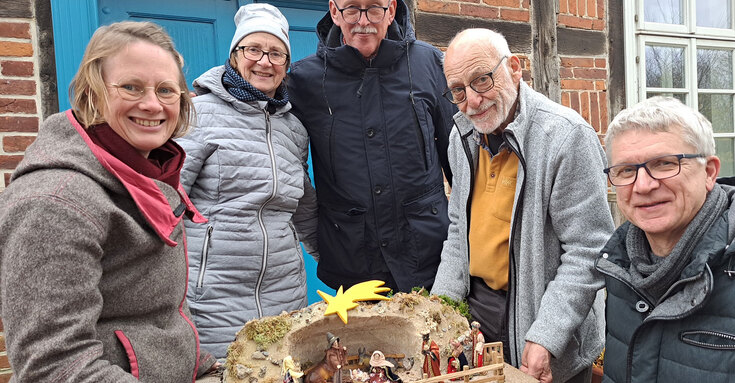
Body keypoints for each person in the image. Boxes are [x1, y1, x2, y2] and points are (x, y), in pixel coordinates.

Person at [0, 21, 217, 381]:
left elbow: (158, 318)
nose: (152, 104)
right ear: (92, 93)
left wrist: (207, 368)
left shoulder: (145, 173)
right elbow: (54, 367)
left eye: (166, 90)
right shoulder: (55, 203)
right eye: (131, 87)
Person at [430, 28, 614, 383]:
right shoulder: (462, 135)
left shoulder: (566, 136)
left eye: (482, 80)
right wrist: (441, 312)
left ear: (514, 68)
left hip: (541, 316)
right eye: (458, 90)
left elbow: (588, 251)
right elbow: (459, 234)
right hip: (477, 312)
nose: (472, 101)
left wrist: (546, 335)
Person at [177, 3, 318, 359]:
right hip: (214, 294)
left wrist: (333, 259)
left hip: (285, 292)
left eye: (276, 53)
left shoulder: (294, 129)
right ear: (235, 55)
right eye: (253, 49)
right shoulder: (199, 114)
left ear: (287, 65)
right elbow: (166, 200)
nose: (264, 61)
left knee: (283, 371)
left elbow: (302, 206)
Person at [287, 0, 457, 293]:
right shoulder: (305, 80)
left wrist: (467, 243)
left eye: (374, 8)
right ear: (334, 11)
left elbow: (460, 160)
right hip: (353, 263)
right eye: (352, 8)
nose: (362, 21)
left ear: (391, 10)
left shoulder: (429, 64)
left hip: (430, 257)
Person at [596, 96, 735, 382]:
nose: (643, 185)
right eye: (626, 170)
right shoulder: (619, 266)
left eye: (664, 164)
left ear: (709, 172)